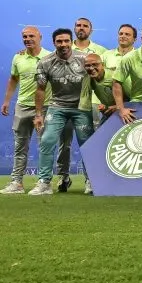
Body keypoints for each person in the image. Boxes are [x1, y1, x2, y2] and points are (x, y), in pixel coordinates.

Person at [29, 28, 94, 195]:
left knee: (87, 143)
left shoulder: (84, 59)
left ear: (71, 42)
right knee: (47, 140)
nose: (63, 44)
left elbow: (97, 79)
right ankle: (44, 182)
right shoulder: (45, 62)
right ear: (54, 43)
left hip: (81, 107)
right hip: (57, 107)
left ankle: (92, 180)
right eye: (59, 41)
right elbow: (41, 89)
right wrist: (38, 115)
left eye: (66, 41)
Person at [0, 26, 50, 194]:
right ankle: (17, 183)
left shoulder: (50, 57)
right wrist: (7, 101)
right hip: (22, 106)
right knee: (20, 146)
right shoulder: (18, 57)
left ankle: (43, 182)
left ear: (40, 37)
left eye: (31, 36)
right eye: (24, 36)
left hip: (44, 108)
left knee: (44, 146)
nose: (27, 39)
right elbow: (13, 79)